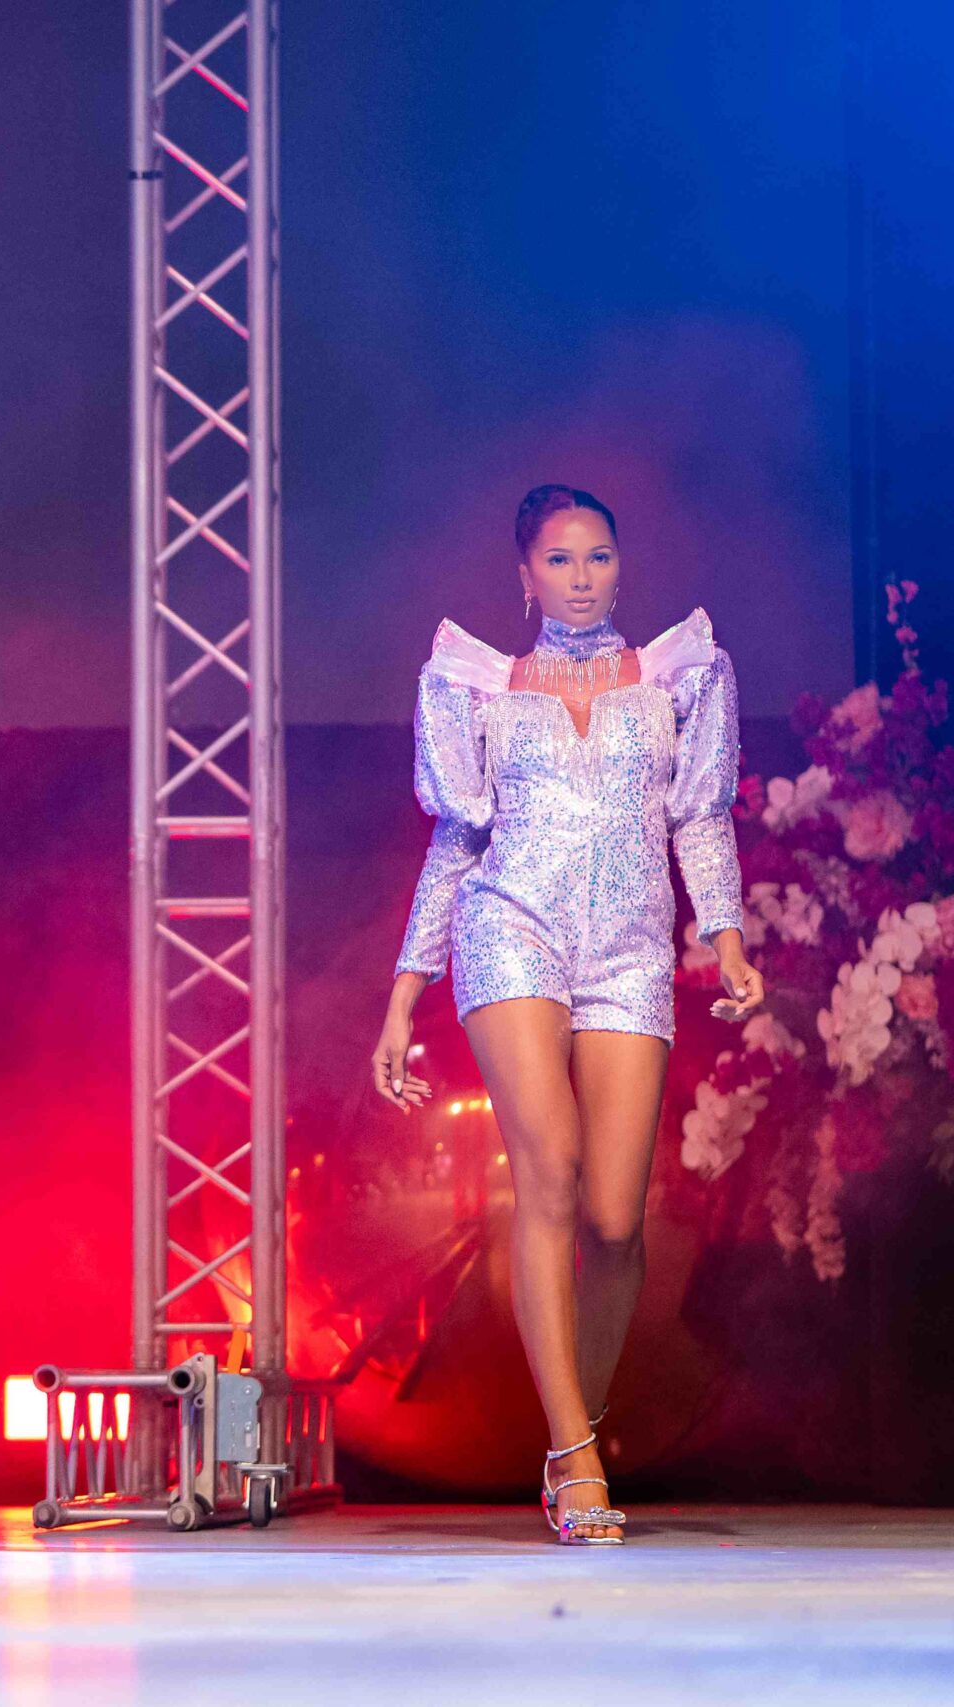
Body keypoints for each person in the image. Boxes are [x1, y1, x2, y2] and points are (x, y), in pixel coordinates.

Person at [370, 484, 763, 1544]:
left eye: (598, 557)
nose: (581, 577)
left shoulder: (676, 678)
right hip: (511, 929)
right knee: (547, 1168)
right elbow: (455, 842)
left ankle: (566, 1433)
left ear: (619, 566)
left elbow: (698, 819)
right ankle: (578, 1459)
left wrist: (725, 935)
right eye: (558, 559)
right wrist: (406, 989)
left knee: (616, 1220)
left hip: (631, 952)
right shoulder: (479, 690)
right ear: (524, 574)